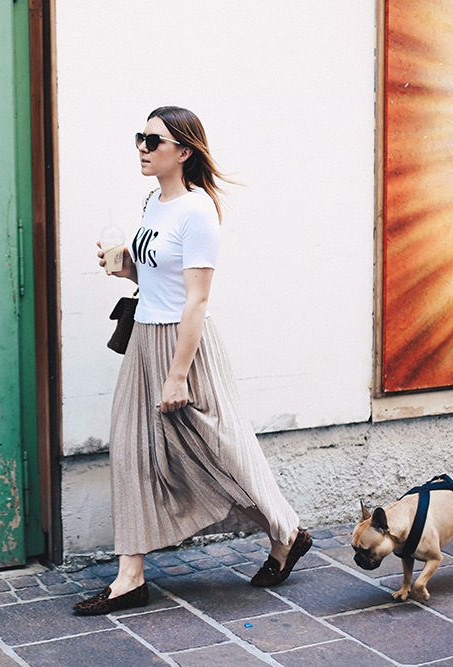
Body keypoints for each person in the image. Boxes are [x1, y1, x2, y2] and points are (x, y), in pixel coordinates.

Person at [73, 106, 310, 616]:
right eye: (140, 137)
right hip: (143, 340)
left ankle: (287, 533)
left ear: (182, 151)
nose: (142, 147)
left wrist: (178, 374)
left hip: (184, 347)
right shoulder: (151, 201)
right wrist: (123, 268)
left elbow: (196, 300)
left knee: (223, 448)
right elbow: (156, 277)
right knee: (133, 449)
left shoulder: (198, 212)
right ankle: (129, 577)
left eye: (153, 141)